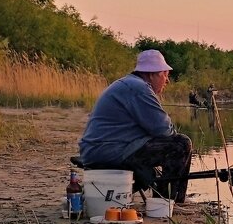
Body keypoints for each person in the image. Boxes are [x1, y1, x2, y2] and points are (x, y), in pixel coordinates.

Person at [78, 50, 192, 203]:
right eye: (165, 74)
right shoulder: (138, 88)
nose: (167, 81)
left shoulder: (130, 84)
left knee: (178, 143)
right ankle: (164, 203)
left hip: (101, 149)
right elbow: (164, 131)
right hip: (108, 151)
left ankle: (175, 201)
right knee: (180, 144)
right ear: (151, 74)